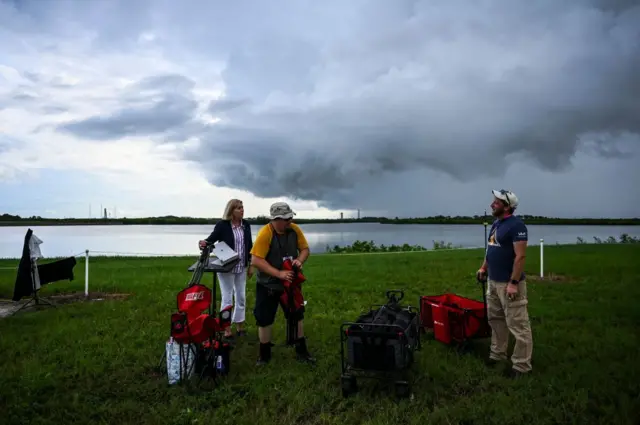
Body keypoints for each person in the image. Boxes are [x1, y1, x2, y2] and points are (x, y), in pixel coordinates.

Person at [249, 201, 315, 366]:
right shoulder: (265, 233)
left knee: (297, 314)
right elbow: (256, 260)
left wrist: (300, 260)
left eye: (290, 218)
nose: (289, 222)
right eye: (286, 219)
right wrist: (278, 274)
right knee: (264, 319)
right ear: (275, 219)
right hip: (268, 285)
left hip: (291, 283)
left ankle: (301, 350)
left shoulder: (294, 229)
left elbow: (305, 249)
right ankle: (264, 355)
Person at [476, 189, 533, 378]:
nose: (492, 204)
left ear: (507, 207)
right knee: (496, 320)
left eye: (497, 202)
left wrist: (513, 282)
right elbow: (490, 248)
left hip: (509, 284)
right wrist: (484, 268)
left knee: (518, 324)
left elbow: (520, 256)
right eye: (493, 201)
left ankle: (521, 366)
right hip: (493, 281)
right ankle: (497, 354)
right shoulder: (496, 224)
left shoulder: (517, 226)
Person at [199, 199, 254, 339]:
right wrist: (203, 243)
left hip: (241, 267)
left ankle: (240, 326)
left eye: (242, 207)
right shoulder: (222, 225)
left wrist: (251, 264)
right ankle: (226, 328)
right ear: (231, 211)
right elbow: (210, 240)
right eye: (239, 208)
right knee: (227, 298)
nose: (242, 210)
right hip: (226, 268)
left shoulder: (246, 225)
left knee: (241, 297)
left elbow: (250, 246)